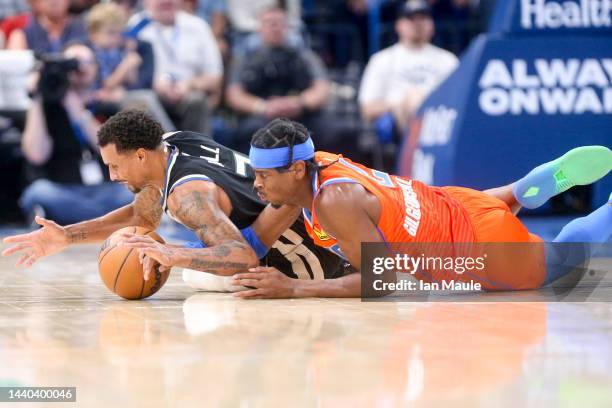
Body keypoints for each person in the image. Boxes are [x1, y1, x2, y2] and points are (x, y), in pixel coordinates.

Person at [226, 118, 612, 298]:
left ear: (296, 169)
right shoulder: (320, 163)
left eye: (262, 175)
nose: (255, 183)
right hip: (457, 203)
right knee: (485, 211)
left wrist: (294, 287)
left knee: (561, 264)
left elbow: (383, 281)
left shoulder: (332, 204)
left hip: (475, 247)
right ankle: (518, 191)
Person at [2, 109, 345, 292]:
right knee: (192, 261)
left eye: (114, 166)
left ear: (139, 156)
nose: (112, 176)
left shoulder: (186, 195)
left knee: (196, 279)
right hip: (312, 231)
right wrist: (67, 236)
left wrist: (174, 254)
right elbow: (144, 216)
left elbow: (242, 257)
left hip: (309, 260)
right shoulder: (172, 144)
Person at [18, 42, 133, 225]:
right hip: (63, 192)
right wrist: (37, 97)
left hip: (107, 193)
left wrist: (74, 107)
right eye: (73, 62)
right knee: (37, 192)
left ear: (96, 68)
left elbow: (116, 153)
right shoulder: (47, 110)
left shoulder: (108, 107)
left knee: (136, 192)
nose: (80, 68)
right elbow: (36, 155)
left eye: (87, 62)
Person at [226, 6, 330, 153]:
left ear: (287, 27)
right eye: (269, 23)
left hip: (299, 112)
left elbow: (322, 88)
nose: (275, 27)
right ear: (259, 28)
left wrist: (299, 103)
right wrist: (263, 106)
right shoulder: (245, 57)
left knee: (328, 129)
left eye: (279, 22)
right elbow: (234, 95)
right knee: (247, 131)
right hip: (260, 115)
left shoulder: (302, 54)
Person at [358, 0, 458, 141]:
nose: (417, 23)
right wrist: (399, 105)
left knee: (419, 97)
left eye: (423, 18)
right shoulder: (382, 59)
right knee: (413, 96)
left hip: (438, 119)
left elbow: (458, 100)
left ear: (432, 24)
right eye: (411, 18)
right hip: (397, 122)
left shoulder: (447, 60)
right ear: (398, 25)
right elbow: (367, 109)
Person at [127, 0, 223, 134]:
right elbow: (127, 69)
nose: (165, 2)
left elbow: (215, 76)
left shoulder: (197, 26)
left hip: (188, 93)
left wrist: (189, 85)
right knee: (143, 100)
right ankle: (168, 149)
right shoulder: (136, 25)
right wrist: (153, 83)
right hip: (151, 91)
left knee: (197, 100)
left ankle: (200, 152)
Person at [85, 2, 174, 130]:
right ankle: (172, 140)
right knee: (146, 98)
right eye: (110, 33)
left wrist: (130, 55)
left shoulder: (114, 51)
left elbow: (131, 81)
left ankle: (169, 140)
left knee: (146, 99)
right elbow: (107, 84)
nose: (115, 39)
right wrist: (126, 65)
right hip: (96, 100)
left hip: (119, 95)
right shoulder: (93, 52)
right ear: (94, 33)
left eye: (118, 34)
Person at [6, 0, 86, 53]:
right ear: (36, 2)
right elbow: (15, 72)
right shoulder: (21, 36)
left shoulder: (82, 28)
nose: (55, 1)